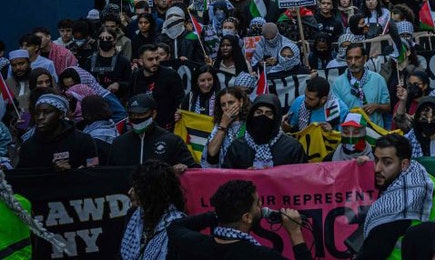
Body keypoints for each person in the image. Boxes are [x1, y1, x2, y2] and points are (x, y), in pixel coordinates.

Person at [356, 134, 435, 260]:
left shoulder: (394, 205)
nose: (377, 168)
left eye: (387, 162)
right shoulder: (428, 180)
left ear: (404, 164)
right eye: (376, 160)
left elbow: (370, 254)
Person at [167, 179, 311, 259]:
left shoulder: (195, 244)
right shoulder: (260, 256)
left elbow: (175, 227)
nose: (262, 207)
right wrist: (295, 233)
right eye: (257, 204)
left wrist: (220, 213)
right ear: (247, 218)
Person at [108, 94, 199, 170]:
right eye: (133, 114)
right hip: (126, 191)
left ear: (154, 113)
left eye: (141, 114)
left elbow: (195, 171)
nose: (137, 118)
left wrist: (184, 167)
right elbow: (110, 173)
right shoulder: (119, 143)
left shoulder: (172, 141)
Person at [120, 160, 187, 260]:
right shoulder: (133, 214)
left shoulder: (178, 225)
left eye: (137, 188)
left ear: (151, 193)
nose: (130, 192)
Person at [16, 93, 99, 171]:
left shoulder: (84, 140)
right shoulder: (28, 147)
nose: (40, 117)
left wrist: (72, 171)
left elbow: (94, 169)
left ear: (61, 115)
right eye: (37, 113)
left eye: (47, 112)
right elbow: (22, 178)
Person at [222, 94, 307, 169]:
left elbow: (300, 180)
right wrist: (245, 176)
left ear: (276, 118)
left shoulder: (292, 148)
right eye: (258, 112)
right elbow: (226, 178)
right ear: (252, 115)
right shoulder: (237, 147)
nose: (263, 117)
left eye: (268, 114)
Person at [331, 44, 391, 129]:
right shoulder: (338, 83)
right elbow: (335, 112)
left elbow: (387, 107)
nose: (353, 62)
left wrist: (377, 106)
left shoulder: (378, 79)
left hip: (374, 134)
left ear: (365, 58)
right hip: (350, 134)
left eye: (357, 58)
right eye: (349, 58)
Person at [128, 44, 185, 130]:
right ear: (140, 61)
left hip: (166, 127)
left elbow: (180, 99)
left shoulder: (170, 75)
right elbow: (130, 99)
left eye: (157, 58)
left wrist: (179, 112)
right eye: (150, 59)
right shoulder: (135, 77)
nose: (155, 62)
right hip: (142, 126)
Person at [202, 87, 251, 168]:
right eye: (223, 105)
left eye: (231, 102)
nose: (227, 108)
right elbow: (212, 152)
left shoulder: (250, 124)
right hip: (224, 175)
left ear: (241, 102)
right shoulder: (219, 126)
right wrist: (223, 125)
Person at [283, 75, 347, 133]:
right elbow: (291, 130)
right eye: (305, 96)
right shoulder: (299, 102)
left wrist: (332, 133)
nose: (305, 100)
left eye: (311, 99)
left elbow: (347, 136)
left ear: (323, 99)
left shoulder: (340, 109)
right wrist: (286, 127)